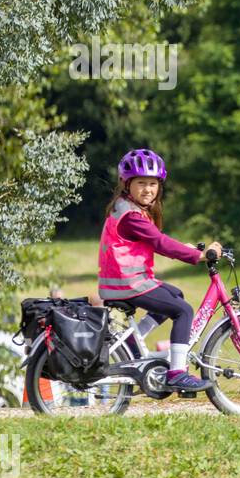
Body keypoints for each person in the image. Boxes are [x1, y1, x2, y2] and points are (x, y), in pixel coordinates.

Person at [97, 149, 222, 392]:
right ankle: (177, 373)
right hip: (128, 284)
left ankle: (133, 340)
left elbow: (154, 239)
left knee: (175, 295)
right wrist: (197, 255)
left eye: (153, 183)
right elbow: (160, 243)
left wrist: (183, 248)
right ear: (126, 183)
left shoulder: (125, 208)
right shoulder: (130, 215)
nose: (147, 189)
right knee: (183, 311)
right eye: (141, 183)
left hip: (124, 281)